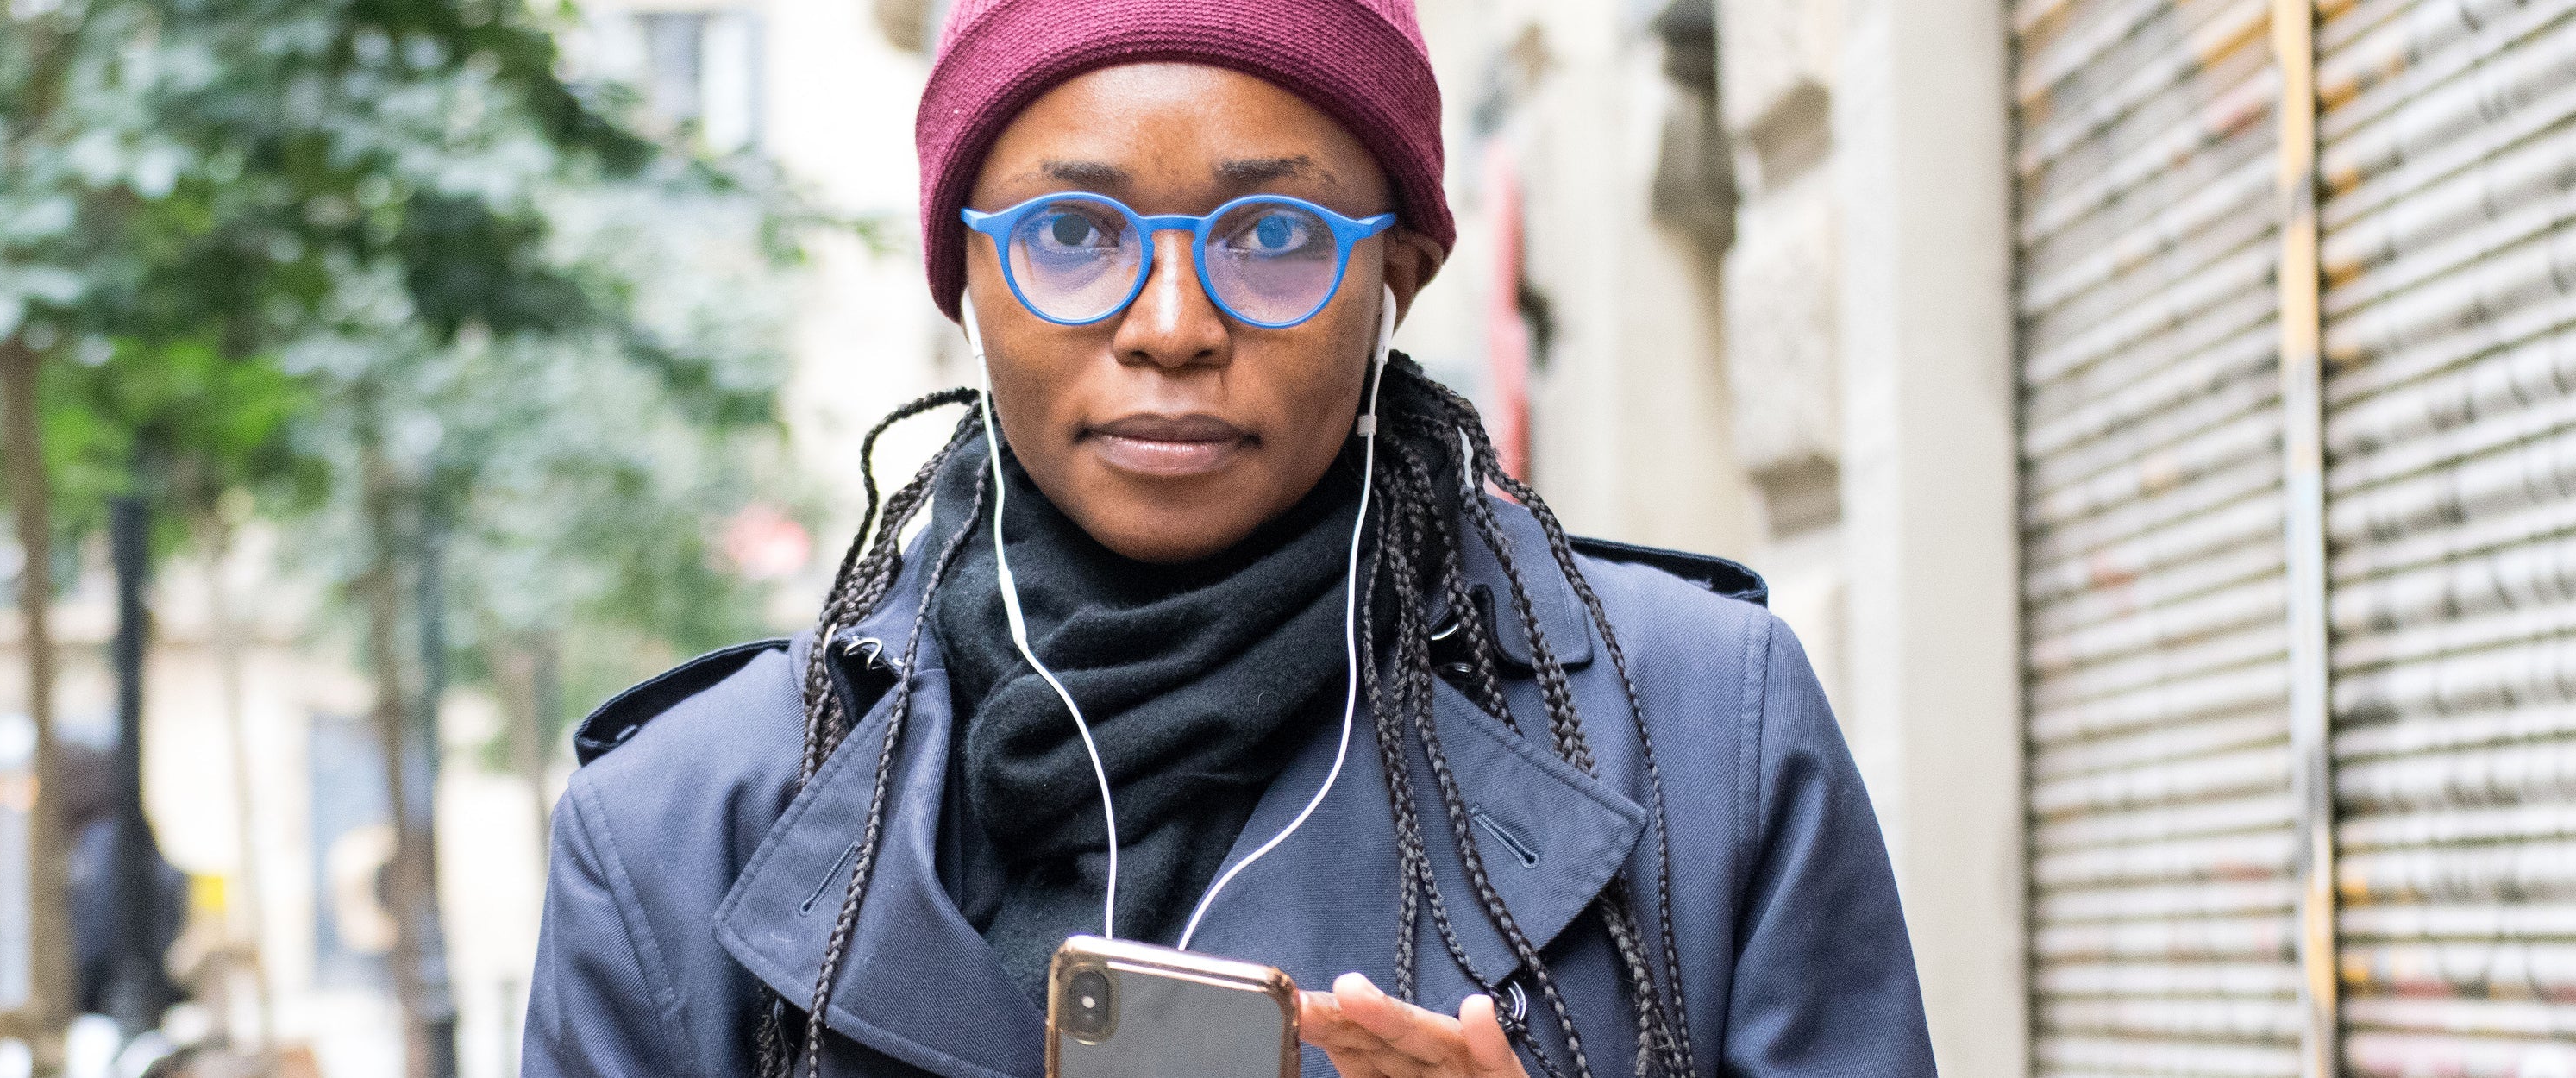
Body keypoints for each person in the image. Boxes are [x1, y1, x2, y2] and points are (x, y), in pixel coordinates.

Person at [524, 0, 1934, 1075]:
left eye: (1270, 236)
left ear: (1400, 268)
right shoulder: (674, 833)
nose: (1173, 326)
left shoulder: (1705, 731)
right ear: (960, 267)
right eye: (1072, 233)